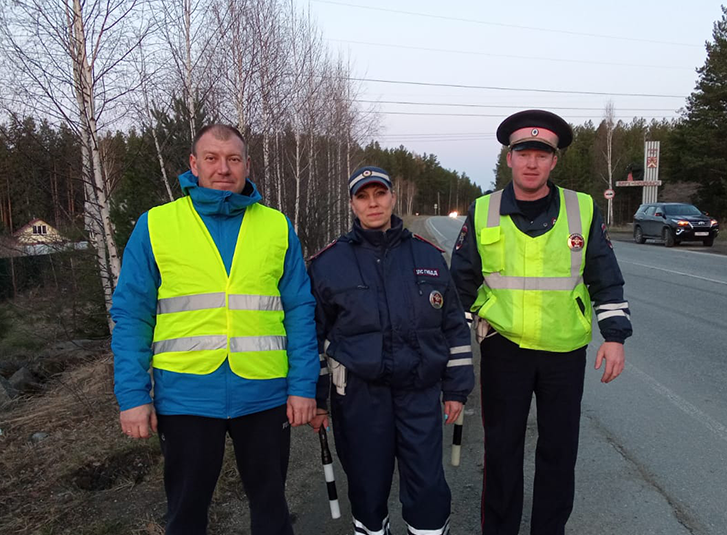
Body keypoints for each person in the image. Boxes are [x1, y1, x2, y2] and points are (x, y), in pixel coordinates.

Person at [111, 124, 318, 535]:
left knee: (272, 511)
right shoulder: (156, 225)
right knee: (186, 515)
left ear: (246, 165)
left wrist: (303, 387)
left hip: (264, 394)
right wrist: (132, 395)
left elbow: (299, 310)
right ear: (194, 164)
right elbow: (132, 315)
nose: (223, 168)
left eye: (233, 159)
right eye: (211, 158)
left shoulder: (277, 227)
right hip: (186, 396)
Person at [450, 110, 632, 535]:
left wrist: (615, 337)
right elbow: (460, 284)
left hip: (564, 352)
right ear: (508, 158)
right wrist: (450, 351)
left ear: (554, 161)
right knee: (502, 452)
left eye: (542, 154)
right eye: (523, 153)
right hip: (504, 349)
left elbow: (604, 275)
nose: (532, 163)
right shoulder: (482, 211)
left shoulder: (581, 208)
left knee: (559, 452)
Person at [307, 166, 474, 535]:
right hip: (360, 398)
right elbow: (314, 337)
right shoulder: (328, 264)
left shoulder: (429, 257)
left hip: (419, 392)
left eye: (379, 194)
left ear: (392, 197)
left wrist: (457, 388)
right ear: (352, 203)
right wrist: (317, 401)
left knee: (428, 488)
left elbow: (452, 326)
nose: (373, 203)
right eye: (363, 196)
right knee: (367, 488)